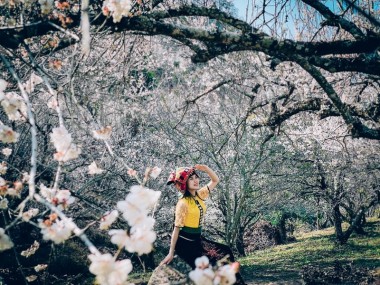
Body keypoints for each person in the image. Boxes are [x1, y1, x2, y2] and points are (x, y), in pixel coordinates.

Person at [160, 164, 245, 284]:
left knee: (225, 250)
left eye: (196, 177)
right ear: (184, 183)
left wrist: (205, 169)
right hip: (185, 244)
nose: (195, 180)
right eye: (191, 178)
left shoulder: (200, 194)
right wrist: (171, 252)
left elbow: (215, 180)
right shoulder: (183, 203)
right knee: (209, 266)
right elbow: (176, 229)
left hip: (198, 239)